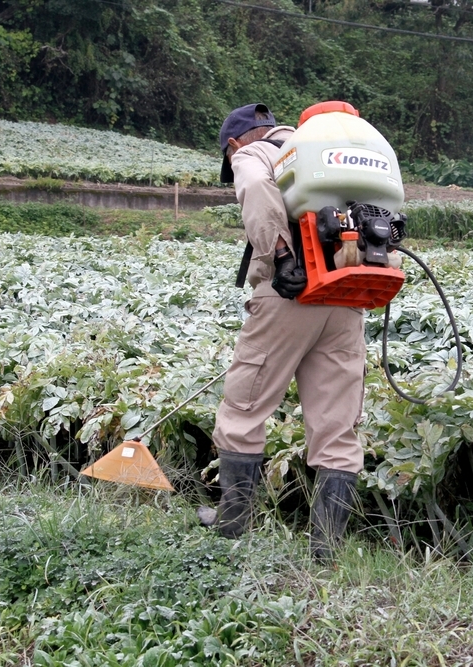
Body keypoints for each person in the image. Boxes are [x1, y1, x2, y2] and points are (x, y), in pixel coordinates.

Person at [198, 103, 366, 560]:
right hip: (347, 296)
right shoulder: (329, 148)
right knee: (337, 426)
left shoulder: (255, 154)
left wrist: (282, 256)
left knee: (245, 406)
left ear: (235, 143)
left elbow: (255, 188)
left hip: (291, 294)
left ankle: (232, 525)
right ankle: (325, 550)